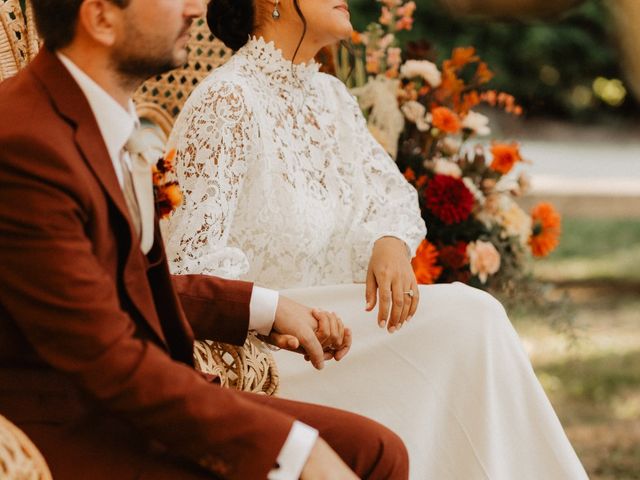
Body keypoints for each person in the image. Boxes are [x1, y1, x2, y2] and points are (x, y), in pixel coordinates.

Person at [163, 0, 590, 478]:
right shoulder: (226, 101)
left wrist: (390, 242)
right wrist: (274, 315)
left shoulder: (331, 97)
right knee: (472, 319)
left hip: (350, 331)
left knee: (474, 323)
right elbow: (189, 264)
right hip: (276, 350)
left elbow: (392, 194)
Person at [0, 0, 412, 479]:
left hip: (136, 396)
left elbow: (125, 283)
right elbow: (105, 356)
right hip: (72, 426)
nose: (196, 8)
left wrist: (264, 307)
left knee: (377, 450)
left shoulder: (105, 117)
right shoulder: (26, 146)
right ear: (101, 18)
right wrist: (291, 452)